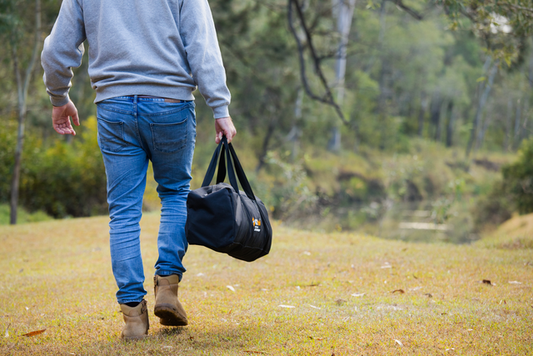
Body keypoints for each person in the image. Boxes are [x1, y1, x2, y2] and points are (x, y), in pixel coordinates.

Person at [41, 0, 236, 340]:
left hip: (114, 105)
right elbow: (201, 43)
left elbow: (57, 48)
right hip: (171, 102)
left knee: (124, 213)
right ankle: (167, 288)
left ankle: (133, 318)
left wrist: (59, 97)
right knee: (175, 194)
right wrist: (219, 106)